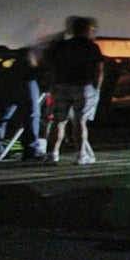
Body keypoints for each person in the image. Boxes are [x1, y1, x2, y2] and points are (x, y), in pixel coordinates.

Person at [46, 16, 104, 165]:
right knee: (80, 121)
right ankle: (80, 155)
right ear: (87, 30)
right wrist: (96, 89)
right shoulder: (92, 47)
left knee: (58, 121)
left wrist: (53, 85)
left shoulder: (62, 46)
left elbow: (52, 66)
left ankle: (52, 154)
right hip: (83, 87)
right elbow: (99, 70)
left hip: (61, 86)